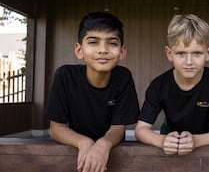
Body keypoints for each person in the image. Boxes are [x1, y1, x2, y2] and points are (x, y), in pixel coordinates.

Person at [45, 12, 140, 172]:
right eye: (93, 42)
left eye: (112, 43)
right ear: (79, 49)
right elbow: (56, 128)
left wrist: (103, 144)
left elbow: (118, 127)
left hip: (112, 149)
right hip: (76, 147)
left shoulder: (123, 77)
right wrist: (84, 143)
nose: (103, 50)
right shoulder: (65, 76)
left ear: (122, 52)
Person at [135, 14, 209, 155]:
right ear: (169, 54)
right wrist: (162, 141)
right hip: (170, 139)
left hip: (206, 139)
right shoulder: (159, 85)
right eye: (181, 53)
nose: (189, 61)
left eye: (197, 53)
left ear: (208, 53)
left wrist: (196, 141)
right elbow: (141, 129)